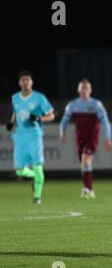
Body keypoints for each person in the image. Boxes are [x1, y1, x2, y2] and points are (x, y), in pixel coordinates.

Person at [6, 71, 55, 204]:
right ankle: (34, 177)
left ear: (32, 82)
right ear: (19, 83)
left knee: (37, 165)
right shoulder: (15, 98)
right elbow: (15, 112)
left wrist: (39, 118)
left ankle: (37, 196)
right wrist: (11, 122)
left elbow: (51, 115)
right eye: (23, 80)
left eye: (28, 79)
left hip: (35, 136)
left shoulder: (39, 98)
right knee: (19, 171)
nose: (25, 82)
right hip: (20, 136)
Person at [59, 79, 112, 198]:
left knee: (86, 158)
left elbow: (105, 121)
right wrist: (62, 132)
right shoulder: (72, 105)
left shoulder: (96, 105)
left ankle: (88, 189)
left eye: (87, 88)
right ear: (78, 90)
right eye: (82, 88)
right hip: (79, 137)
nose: (84, 91)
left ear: (90, 90)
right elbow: (64, 120)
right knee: (84, 163)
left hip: (92, 137)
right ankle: (87, 188)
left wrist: (108, 138)